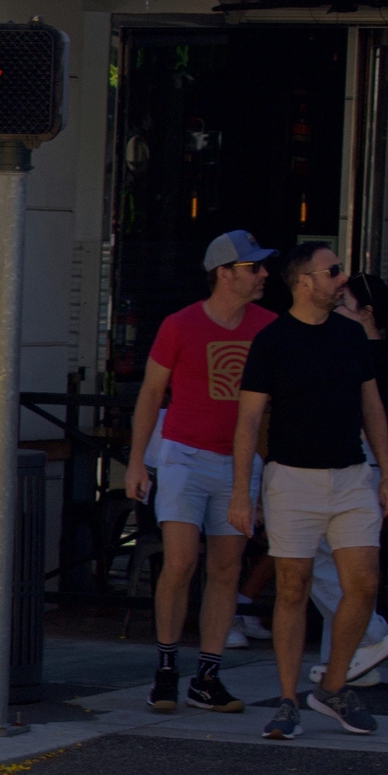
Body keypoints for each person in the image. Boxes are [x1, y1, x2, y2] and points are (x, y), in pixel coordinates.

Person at [229, 242, 388, 738]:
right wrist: (244, 491)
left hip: (350, 475)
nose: (342, 278)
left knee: (363, 583)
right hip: (291, 479)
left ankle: (333, 685)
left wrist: (386, 473)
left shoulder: (350, 336)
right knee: (292, 590)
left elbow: (373, 409)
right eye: (333, 271)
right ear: (305, 282)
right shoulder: (273, 340)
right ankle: (287, 700)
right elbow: (248, 421)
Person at [125, 230, 277, 714]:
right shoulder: (180, 324)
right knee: (181, 560)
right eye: (253, 267)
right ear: (224, 274)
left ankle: (206, 675)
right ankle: (167, 668)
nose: (262, 274)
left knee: (227, 566)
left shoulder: (269, 326)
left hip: (240, 460)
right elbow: (151, 392)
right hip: (184, 454)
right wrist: (135, 461)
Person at [299, 273, 388, 688]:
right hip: (368, 468)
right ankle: (344, 662)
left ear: (365, 313)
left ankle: (369, 637)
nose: (335, 309)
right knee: (348, 566)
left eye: (343, 303)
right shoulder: (372, 354)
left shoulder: (365, 356)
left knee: (324, 562)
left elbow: (376, 419)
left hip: (361, 467)